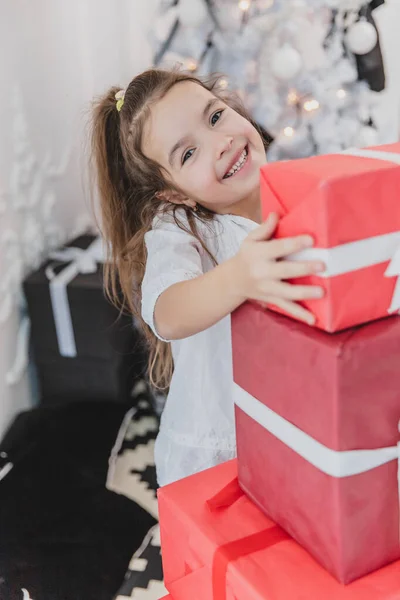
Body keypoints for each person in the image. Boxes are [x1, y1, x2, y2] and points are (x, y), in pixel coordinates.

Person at [90, 68, 325, 486]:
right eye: (188, 154)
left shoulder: (294, 193)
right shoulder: (181, 227)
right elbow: (168, 312)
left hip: (293, 425)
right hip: (222, 448)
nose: (221, 143)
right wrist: (238, 277)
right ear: (174, 192)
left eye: (215, 117)